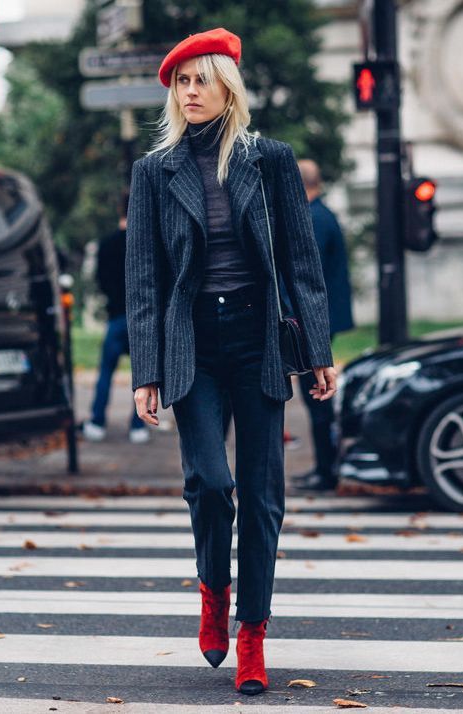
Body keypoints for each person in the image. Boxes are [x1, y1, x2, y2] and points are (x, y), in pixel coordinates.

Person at [125, 28, 336, 695]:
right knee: (211, 486)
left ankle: (252, 635)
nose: (189, 93)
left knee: (263, 496)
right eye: (181, 83)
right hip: (193, 344)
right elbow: (143, 280)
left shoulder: (269, 161)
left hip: (257, 341)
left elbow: (301, 262)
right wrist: (146, 371)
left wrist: (318, 351)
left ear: (228, 89)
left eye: (201, 81)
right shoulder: (154, 172)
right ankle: (213, 591)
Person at [291, 160, 354, 491]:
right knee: (317, 394)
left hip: (313, 321)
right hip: (320, 319)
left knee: (317, 394)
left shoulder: (313, 219)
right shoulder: (323, 214)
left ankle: (326, 470)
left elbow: (305, 275)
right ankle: (325, 468)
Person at [83, 193, 150, 444]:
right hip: (140, 319)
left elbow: (100, 280)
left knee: (105, 373)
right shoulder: (144, 243)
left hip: (115, 317)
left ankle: (97, 422)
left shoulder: (106, 244)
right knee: (143, 376)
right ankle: (137, 426)